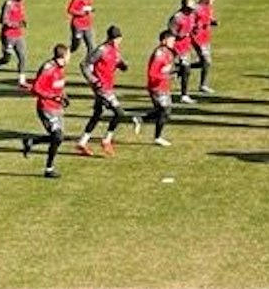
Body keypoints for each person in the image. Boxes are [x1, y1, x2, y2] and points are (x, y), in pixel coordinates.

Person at [20, 43, 71, 178]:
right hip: (46, 108)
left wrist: (64, 96)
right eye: (68, 55)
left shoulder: (61, 67)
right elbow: (35, 89)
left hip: (57, 107)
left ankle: (31, 141)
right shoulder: (48, 69)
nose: (70, 57)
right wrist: (53, 97)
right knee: (58, 136)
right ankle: (49, 169)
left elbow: (58, 85)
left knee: (58, 138)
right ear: (63, 56)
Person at [76, 25, 127, 157]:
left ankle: (82, 142)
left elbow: (117, 60)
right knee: (119, 113)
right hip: (102, 88)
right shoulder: (101, 50)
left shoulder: (115, 49)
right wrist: (93, 80)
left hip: (108, 86)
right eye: (117, 39)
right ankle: (106, 140)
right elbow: (84, 64)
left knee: (97, 114)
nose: (119, 42)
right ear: (111, 39)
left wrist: (122, 65)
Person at [138, 28, 179, 147]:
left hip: (164, 86)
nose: (173, 41)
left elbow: (167, 69)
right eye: (171, 39)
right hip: (156, 87)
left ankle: (140, 119)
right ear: (164, 40)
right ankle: (157, 137)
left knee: (164, 112)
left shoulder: (169, 52)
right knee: (164, 111)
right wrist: (165, 76)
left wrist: (172, 73)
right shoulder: (159, 53)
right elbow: (152, 73)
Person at [167, 0, 198, 103]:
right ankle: (166, 93)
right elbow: (171, 33)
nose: (191, 11)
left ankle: (184, 94)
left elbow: (192, 27)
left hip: (185, 47)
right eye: (189, 9)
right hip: (176, 48)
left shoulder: (192, 15)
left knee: (186, 70)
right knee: (170, 71)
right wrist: (181, 35)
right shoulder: (177, 18)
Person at [190, 0, 218, 94]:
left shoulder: (208, 7)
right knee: (207, 61)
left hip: (205, 37)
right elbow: (191, 21)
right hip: (197, 38)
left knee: (204, 62)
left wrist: (212, 21)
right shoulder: (197, 8)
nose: (212, 1)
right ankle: (203, 85)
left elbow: (208, 18)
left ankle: (182, 68)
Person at [66, 0, 98, 65]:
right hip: (78, 26)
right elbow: (70, 10)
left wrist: (90, 10)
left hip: (88, 25)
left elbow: (86, 6)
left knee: (92, 46)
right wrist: (82, 13)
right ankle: (66, 51)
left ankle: (89, 65)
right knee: (76, 46)